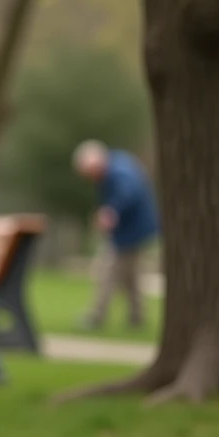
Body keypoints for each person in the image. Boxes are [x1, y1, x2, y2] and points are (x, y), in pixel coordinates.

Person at [71, 139, 160, 329]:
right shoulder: (116, 165)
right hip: (134, 231)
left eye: (90, 173)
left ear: (95, 163)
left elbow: (129, 193)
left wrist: (111, 210)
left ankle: (96, 316)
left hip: (131, 232)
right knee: (130, 276)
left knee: (107, 271)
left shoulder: (118, 171)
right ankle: (137, 317)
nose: (91, 178)